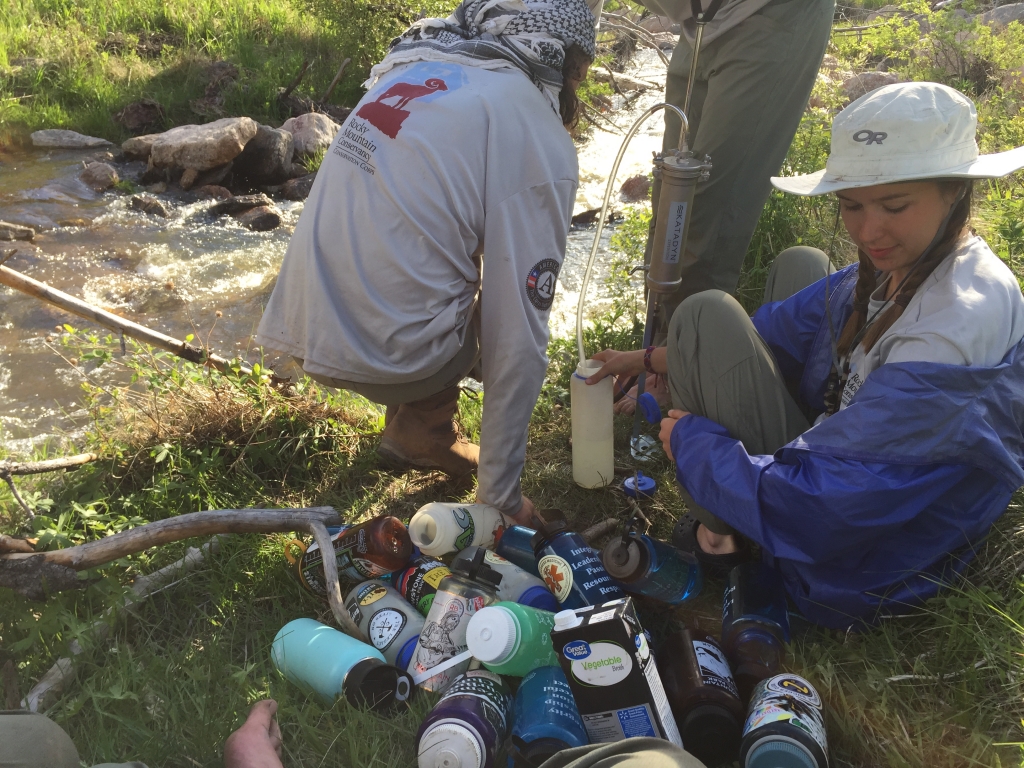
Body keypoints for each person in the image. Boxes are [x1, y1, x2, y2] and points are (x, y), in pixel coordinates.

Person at [586, 82, 1024, 628]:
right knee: (801, 264)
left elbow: (829, 508)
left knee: (703, 314)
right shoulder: (921, 261)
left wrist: (698, 448)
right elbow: (769, 332)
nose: (868, 230)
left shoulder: (952, 332)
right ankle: (737, 515)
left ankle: (724, 536)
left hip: (861, 557)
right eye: (851, 205)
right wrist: (648, 360)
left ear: (955, 192)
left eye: (894, 205)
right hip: (848, 461)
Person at [255, 0, 599, 526]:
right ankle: (428, 429)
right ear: (570, 61)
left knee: (434, 246)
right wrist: (502, 500)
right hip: (387, 353)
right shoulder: (530, 126)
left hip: (303, 323)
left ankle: (413, 427)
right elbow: (520, 339)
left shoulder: (425, 63)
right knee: (498, 290)